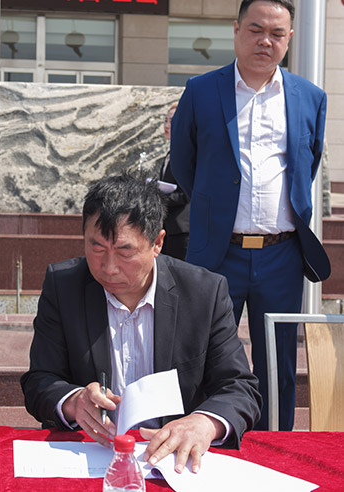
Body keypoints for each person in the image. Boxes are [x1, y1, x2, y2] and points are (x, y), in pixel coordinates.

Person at [21, 173, 261, 474]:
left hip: (173, 461)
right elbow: (40, 381)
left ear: (157, 242)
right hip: (89, 455)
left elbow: (240, 387)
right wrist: (74, 401)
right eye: (97, 248)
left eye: (125, 251)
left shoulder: (203, 293)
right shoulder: (64, 286)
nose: (109, 267)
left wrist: (204, 423)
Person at [170, 0, 330, 431]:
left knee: (277, 362)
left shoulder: (310, 98)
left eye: (277, 34)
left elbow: (307, 165)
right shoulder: (201, 91)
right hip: (218, 251)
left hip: (282, 254)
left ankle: (275, 446)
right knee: (202, 355)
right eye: (256, 30)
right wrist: (216, 210)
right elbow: (184, 162)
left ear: (289, 39)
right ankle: (200, 440)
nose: (265, 41)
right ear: (237, 30)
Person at [159, 103, 190, 260]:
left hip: (182, 228)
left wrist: (159, 198)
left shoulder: (188, 154)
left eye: (172, 121)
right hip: (167, 226)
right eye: (165, 120)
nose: (167, 125)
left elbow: (186, 193)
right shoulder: (170, 154)